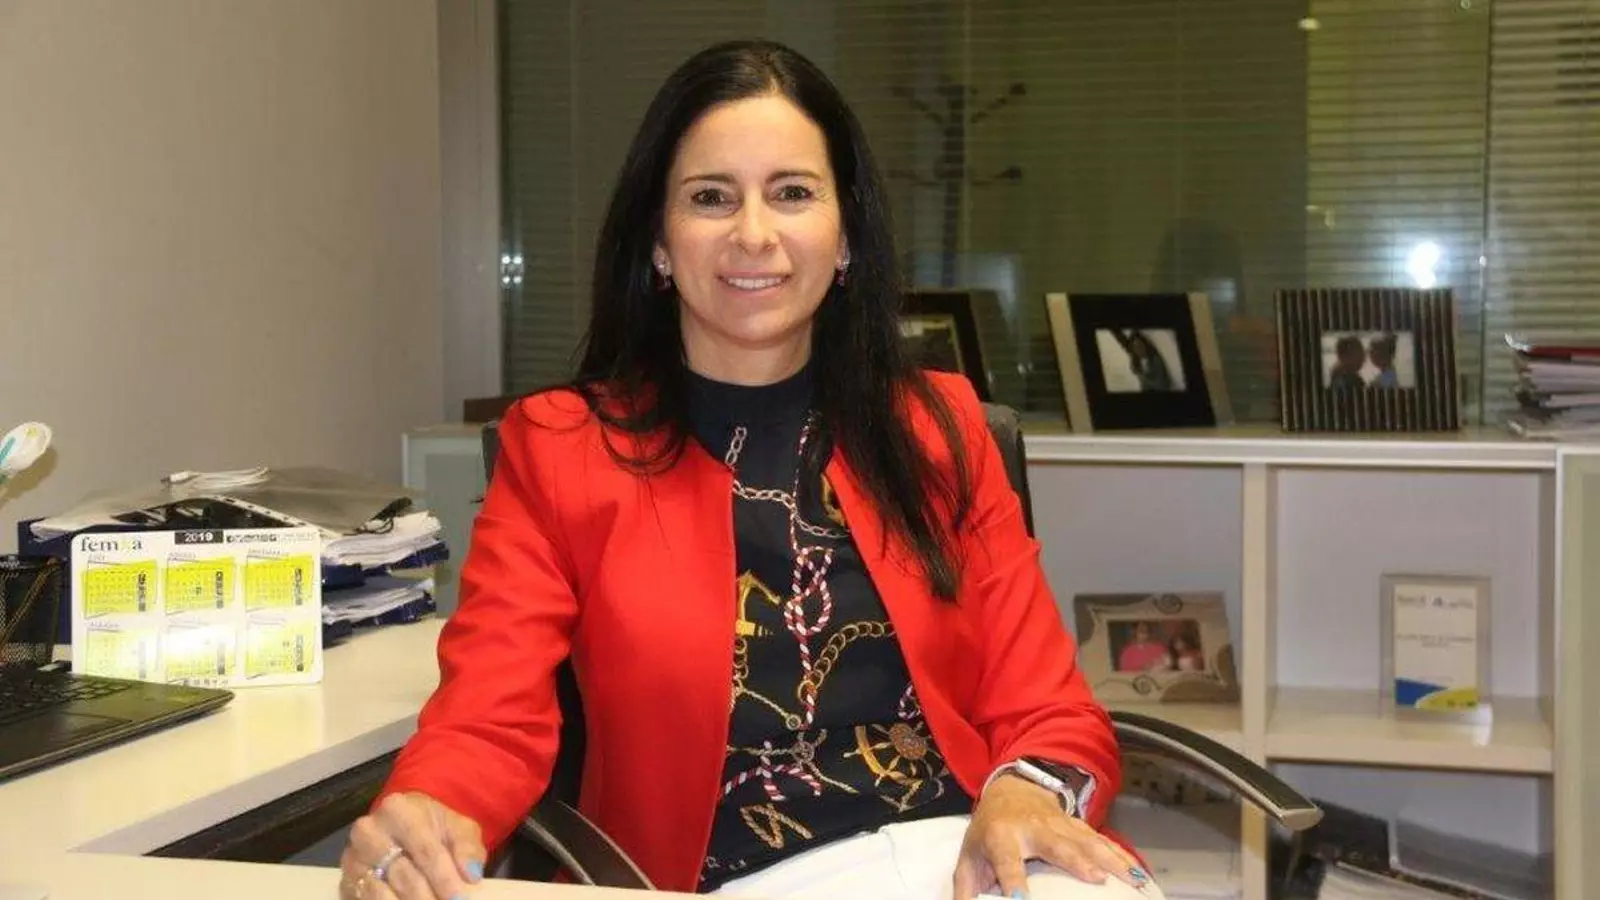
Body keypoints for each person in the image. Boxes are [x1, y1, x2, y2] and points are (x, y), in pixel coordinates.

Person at [339, 39, 1153, 900]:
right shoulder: (561, 448)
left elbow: (1048, 704)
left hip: (964, 863)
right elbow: (487, 716)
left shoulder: (938, 430)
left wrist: (1025, 792)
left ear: (846, 236)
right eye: (711, 198)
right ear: (660, 243)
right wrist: (430, 811)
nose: (754, 234)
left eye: (793, 193)